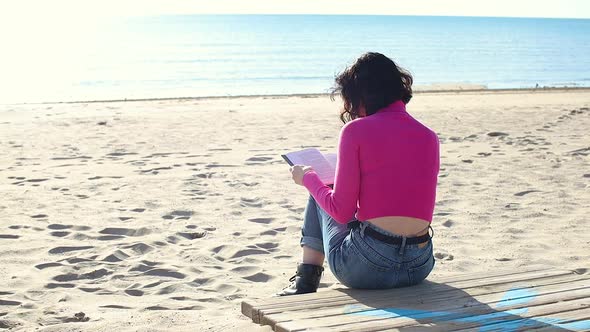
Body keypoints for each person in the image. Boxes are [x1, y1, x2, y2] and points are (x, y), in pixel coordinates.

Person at [277, 52, 440, 296]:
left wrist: (308, 178)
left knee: (318, 185)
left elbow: (341, 211)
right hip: (419, 265)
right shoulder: (429, 136)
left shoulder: (356, 130)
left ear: (361, 94)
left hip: (367, 267)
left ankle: (306, 280)